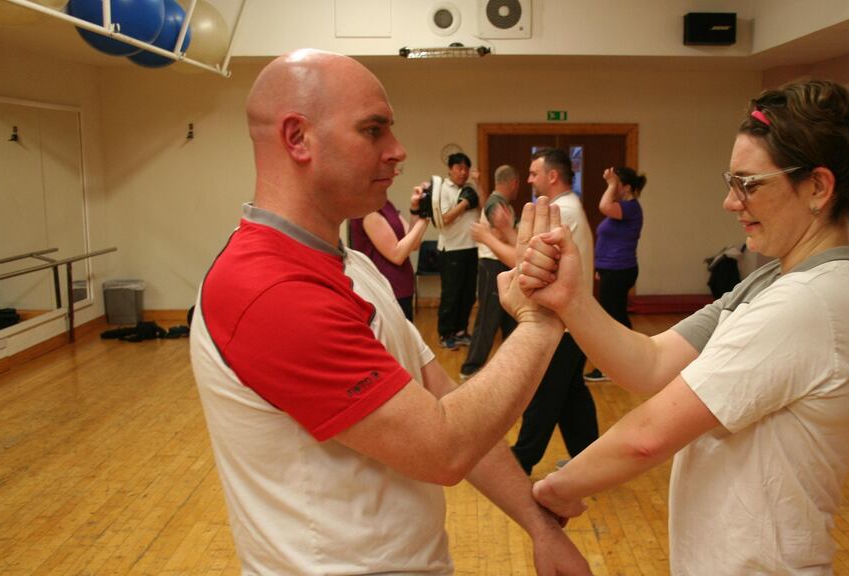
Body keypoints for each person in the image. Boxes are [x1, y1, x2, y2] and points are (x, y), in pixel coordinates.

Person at [189, 49, 590, 575]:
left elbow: (445, 402)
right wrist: (544, 321)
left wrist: (537, 523)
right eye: (374, 131)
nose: (398, 151)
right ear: (296, 138)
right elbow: (444, 446)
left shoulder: (351, 263)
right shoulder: (267, 290)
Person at [523, 80, 849, 574]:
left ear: (818, 187)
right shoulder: (775, 281)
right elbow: (648, 365)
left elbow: (648, 436)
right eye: (731, 182)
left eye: (749, 184)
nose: (731, 202)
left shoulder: (810, 302)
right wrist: (570, 300)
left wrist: (553, 492)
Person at [510, 148, 599, 475]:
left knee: (545, 392)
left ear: (552, 176)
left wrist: (496, 238)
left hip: (562, 322)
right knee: (571, 392)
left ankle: (521, 459)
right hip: (571, 320)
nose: (529, 179)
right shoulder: (569, 208)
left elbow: (528, 260)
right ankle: (588, 459)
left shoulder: (562, 211)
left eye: (534, 173)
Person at [584, 167, 646, 382]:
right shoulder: (623, 208)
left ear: (626, 187)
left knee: (613, 319)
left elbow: (603, 206)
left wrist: (610, 185)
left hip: (620, 270)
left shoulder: (631, 208)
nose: (611, 187)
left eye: (616, 184)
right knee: (615, 316)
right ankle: (630, 361)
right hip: (611, 270)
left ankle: (619, 365)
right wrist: (601, 268)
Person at [459, 164, 520, 380]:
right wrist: (511, 233)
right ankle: (470, 368)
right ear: (513, 183)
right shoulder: (497, 204)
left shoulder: (496, 202)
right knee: (488, 318)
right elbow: (498, 233)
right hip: (492, 264)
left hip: (500, 264)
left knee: (509, 318)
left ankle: (512, 365)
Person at [426, 152, 481, 350]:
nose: (463, 172)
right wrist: (465, 203)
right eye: (459, 168)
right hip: (451, 249)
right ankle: (445, 333)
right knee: (452, 294)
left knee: (468, 295)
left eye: (466, 168)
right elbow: (444, 219)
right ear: (450, 169)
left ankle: (460, 331)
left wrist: (478, 185)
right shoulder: (442, 189)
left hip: (472, 247)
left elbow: (483, 209)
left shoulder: (470, 188)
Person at [348, 189, 429, 321]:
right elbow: (397, 255)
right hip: (386, 291)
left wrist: (416, 210)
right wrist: (426, 216)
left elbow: (414, 244)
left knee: (405, 339)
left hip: (402, 286)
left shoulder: (386, 205)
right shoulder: (368, 210)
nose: (395, 172)